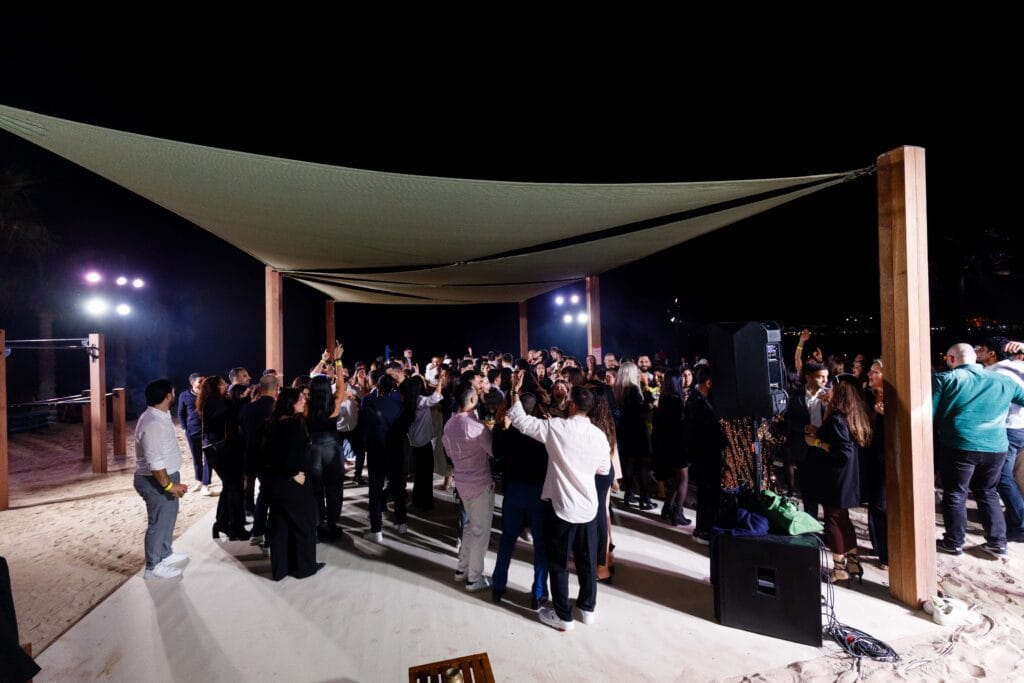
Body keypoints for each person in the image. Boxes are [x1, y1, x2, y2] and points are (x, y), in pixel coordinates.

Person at [508, 373, 610, 632]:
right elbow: (603, 469)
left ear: (573, 405)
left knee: (559, 563)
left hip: (562, 507)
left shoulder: (556, 428)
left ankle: (564, 615)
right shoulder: (599, 436)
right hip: (588, 508)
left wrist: (515, 391)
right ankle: (588, 608)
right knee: (587, 563)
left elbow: (521, 421)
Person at [934, 343, 1024, 557]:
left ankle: (954, 542)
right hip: (997, 446)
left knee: (956, 493)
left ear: (950, 359)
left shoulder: (946, 379)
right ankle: (997, 542)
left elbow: (931, 413)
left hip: (960, 445)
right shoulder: (1004, 380)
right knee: (988, 491)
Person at [805, 379, 870, 582]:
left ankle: (839, 568)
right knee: (844, 520)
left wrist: (816, 442)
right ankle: (852, 562)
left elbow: (843, 452)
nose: (828, 390)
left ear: (840, 394)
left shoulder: (836, 419)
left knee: (832, 521)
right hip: (848, 478)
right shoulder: (851, 416)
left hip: (835, 479)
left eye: (832, 389)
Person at [490, 392, 549, 608]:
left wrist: (499, 426)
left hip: (514, 490)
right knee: (541, 546)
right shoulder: (543, 431)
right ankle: (538, 594)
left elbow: (496, 451)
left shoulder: (509, 432)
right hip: (538, 493)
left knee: (507, 540)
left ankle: (498, 586)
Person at [264, 388, 324, 580]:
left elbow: (267, 454)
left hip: (275, 483)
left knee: (281, 526)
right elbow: (288, 455)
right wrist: (293, 474)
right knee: (304, 525)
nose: (304, 401)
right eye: (301, 399)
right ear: (291, 402)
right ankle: (305, 568)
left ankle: (281, 569)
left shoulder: (273, 421)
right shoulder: (292, 424)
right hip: (292, 482)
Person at [134, 379, 189, 580]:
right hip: (155, 480)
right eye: (172, 392)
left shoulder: (161, 415)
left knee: (168, 517)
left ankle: (165, 554)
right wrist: (169, 485)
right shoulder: (153, 423)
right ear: (167, 396)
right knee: (158, 522)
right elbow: (155, 461)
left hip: (167, 476)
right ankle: (153, 567)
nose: (174, 395)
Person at [442, 384, 496, 592]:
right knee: (480, 531)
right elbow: (492, 451)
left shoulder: (449, 425)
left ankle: (462, 568)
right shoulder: (477, 428)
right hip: (480, 483)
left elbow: (448, 452)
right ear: (472, 401)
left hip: (462, 482)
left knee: (469, 527)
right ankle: (474, 577)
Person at [177, 372, 211, 495]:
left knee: (208, 458)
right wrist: (185, 428)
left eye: (204, 381)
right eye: (200, 381)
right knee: (196, 458)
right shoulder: (184, 396)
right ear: (192, 383)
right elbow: (180, 413)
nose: (202, 383)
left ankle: (206, 485)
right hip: (192, 432)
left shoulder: (208, 395)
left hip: (207, 431)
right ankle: (200, 481)